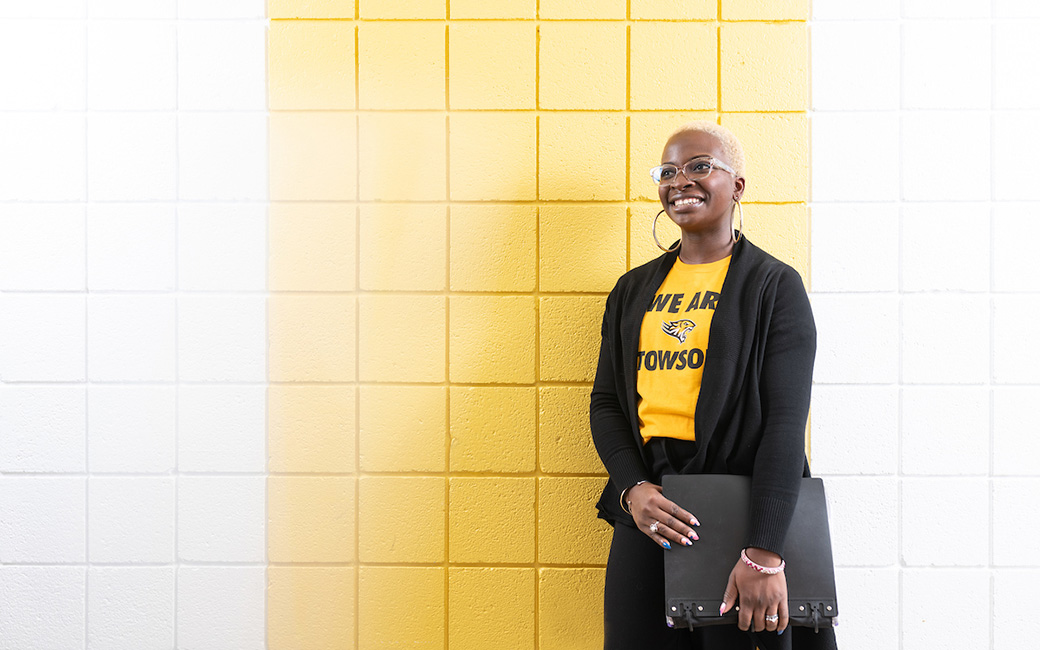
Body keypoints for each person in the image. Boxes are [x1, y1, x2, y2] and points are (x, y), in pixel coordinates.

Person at [590, 121, 838, 650]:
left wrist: (764, 551)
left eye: (700, 166)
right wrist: (633, 489)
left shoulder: (774, 286)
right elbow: (608, 404)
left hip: (743, 513)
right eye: (669, 171)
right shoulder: (633, 290)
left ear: (737, 186)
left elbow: (785, 426)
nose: (682, 180)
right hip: (651, 511)